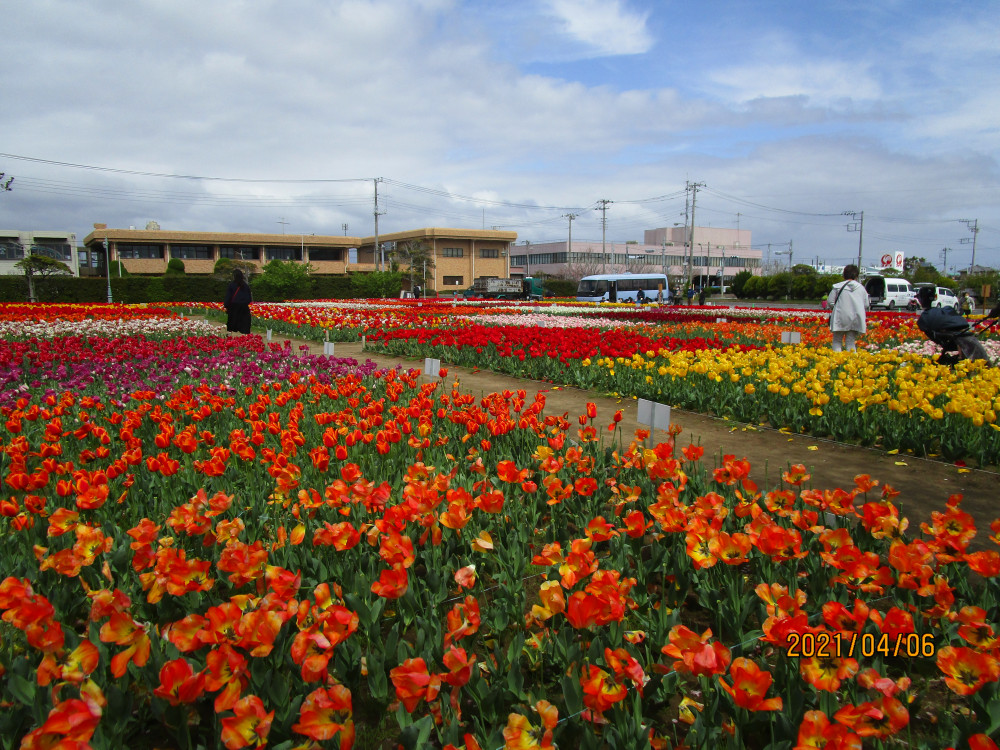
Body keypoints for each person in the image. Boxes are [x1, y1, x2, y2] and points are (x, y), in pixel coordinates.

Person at [916, 286, 989, 364]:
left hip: (949, 336)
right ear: (935, 297)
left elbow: (926, 328)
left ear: (920, 299)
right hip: (960, 331)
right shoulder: (945, 310)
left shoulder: (926, 316)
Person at [826, 264, 869, 352]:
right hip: (856, 318)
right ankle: (851, 362)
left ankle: (837, 361)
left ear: (844, 275)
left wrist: (838, 307)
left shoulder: (837, 287)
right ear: (856, 276)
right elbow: (866, 305)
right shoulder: (861, 288)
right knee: (850, 342)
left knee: (837, 340)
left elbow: (830, 302)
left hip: (840, 316)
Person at [224, 269, 253, 335]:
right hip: (244, 307)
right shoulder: (245, 285)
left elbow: (228, 296)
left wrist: (226, 305)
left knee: (232, 322)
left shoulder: (232, 285)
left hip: (233, 307)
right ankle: (245, 337)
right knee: (244, 323)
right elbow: (249, 298)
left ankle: (230, 336)